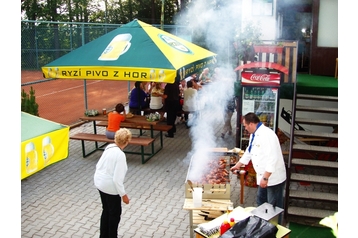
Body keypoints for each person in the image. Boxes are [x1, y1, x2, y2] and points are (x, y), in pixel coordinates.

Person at [230, 112, 286, 223]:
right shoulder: (254, 135)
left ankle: (276, 228)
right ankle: (262, 226)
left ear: (251, 124)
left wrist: (265, 178)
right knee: (261, 201)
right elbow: (249, 152)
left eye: (245, 126)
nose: (245, 128)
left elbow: (272, 158)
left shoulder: (267, 135)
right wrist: (237, 165)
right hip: (262, 178)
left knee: (273, 207)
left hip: (273, 178)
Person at [94, 128, 132, 238]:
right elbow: (117, 179)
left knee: (106, 210)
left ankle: (103, 235)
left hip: (100, 183)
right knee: (114, 215)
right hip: (110, 188)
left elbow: (98, 166)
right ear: (126, 141)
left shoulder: (108, 148)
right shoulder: (120, 155)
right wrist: (123, 195)